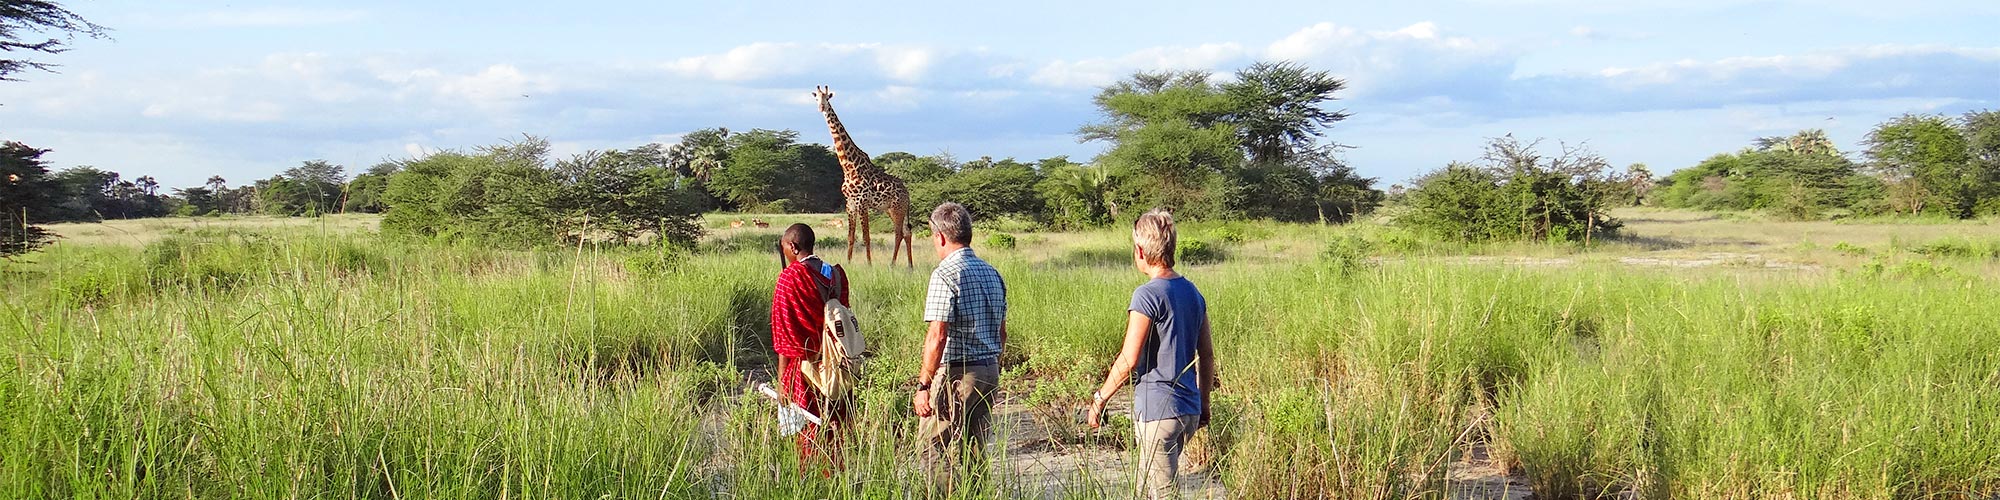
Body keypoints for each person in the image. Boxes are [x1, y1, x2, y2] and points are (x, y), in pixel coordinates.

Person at [1086, 208, 1217, 500]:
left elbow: (1128, 359)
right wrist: (1204, 403)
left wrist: (1100, 399)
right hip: (1188, 410)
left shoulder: (1147, 295)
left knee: (1161, 493)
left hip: (1159, 411)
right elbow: (1206, 356)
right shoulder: (1193, 292)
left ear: (1140, 251)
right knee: (1146, 489)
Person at [912, 202, 1008, 485]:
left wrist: (924, 386)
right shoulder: (992, 273)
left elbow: (937, 335)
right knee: (974, 449)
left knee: (931, 445)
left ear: (940, 236)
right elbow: (1001, 332)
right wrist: (993, 365)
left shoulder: (944, 274)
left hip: (957, 372)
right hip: (988, 369)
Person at [769, 223, 852, 469]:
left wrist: (783, 382)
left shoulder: (790, 277)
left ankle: (812, 484)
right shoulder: (837, 274)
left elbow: (785, 335)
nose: (784, 252)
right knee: (835, 429)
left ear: (793, 246)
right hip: (837, 365)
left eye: (784, 247)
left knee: (808, 435)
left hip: (804, 371)